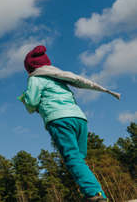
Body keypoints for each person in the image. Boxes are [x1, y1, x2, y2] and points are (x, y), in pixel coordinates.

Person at [19, 45, 120, 202]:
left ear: (30, 68)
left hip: (59, 119)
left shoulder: (35, 78)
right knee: (79, 158)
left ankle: (94, 195)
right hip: (79, 119)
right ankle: (97, 194)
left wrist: (25, 99)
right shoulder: (59, 79)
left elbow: (32, 103)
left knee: (72, 158)